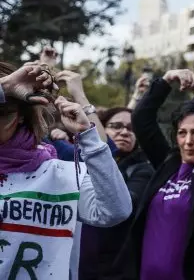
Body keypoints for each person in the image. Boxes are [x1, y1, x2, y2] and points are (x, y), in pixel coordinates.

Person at [0, 62, 132, 279]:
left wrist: (87, 136)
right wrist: (4, 86)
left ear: (21, 115)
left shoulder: (59, 175)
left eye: (2, 112)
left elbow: (115, 210)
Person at [120, 66, 194, 280]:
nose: (188, 141)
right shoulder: (168, 163)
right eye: (182, 133)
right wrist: (166, 80)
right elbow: (141, 119)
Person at [78, 107, 154, 279]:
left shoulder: (143, 170)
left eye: (131, 128)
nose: (125, 132)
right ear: (102, 128)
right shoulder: (81, 163)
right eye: (116, 125)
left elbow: (124, 205)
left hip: (116, 270)